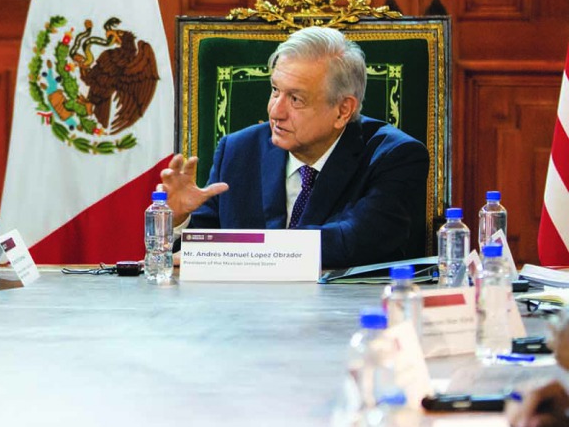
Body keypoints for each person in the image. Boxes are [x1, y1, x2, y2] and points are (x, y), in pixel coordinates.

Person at [160, 26, 429, 269]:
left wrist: (243, 251)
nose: (275, 112)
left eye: (296, 99)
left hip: (344, 314)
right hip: (244, 313)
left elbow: (356, 240)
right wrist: (178, 220)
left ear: (343, 110)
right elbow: (192, 256)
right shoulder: (238, 151)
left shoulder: (395, 157)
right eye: (275, 90)